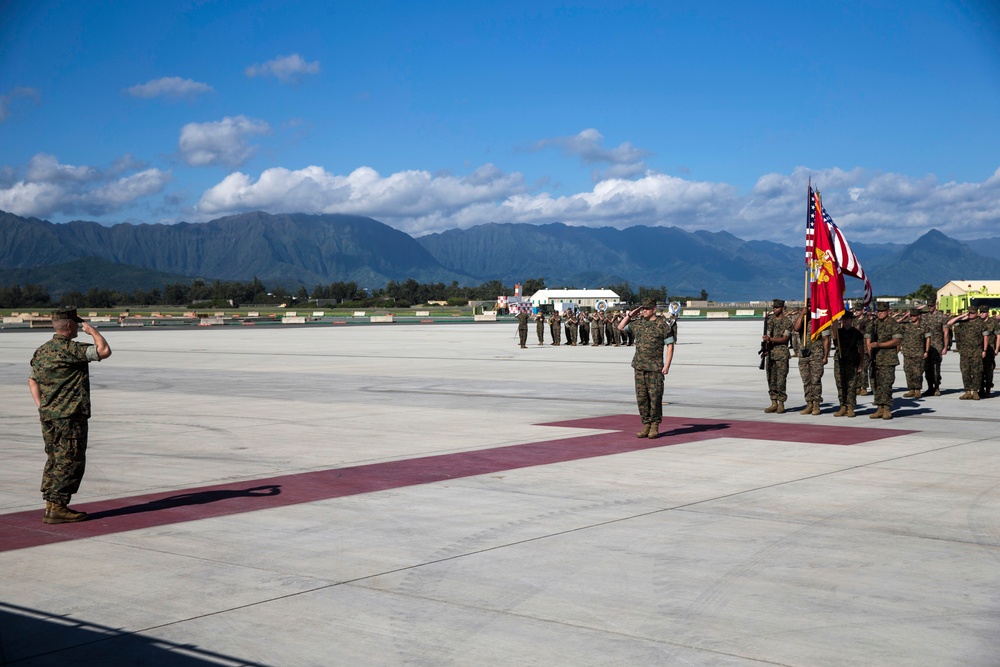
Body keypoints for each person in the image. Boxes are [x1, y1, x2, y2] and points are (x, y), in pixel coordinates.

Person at [28, 307, 112, 524]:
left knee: (55, 459)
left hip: (49, 416)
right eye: (76, 323)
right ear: (69, 326)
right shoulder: (71, 349)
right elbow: (103, 351)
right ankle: (58, 507)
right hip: (70, 416)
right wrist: (93, 332)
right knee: (70, 460)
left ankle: (51, 504)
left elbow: (32, 380)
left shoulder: (41, 351)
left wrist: (42, 407)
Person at [619, 299, 674, 439]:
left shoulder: (662, 325)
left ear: (654, 309)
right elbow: (620, 327)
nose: (644, 311)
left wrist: (667, 365)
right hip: (639, 367)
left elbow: (670, 345)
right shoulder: (638, 324)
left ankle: (655, 425)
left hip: (655, 368)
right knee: (642, 398)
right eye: (642, 309)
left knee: (655, 397)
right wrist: (630, 315)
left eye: (647, 309)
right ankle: (646, 424)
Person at [865, 302, 902, 419]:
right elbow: (867, 337)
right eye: (878, 311)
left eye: (882, 311)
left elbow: (897, 340)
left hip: (888, 359)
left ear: (888, 312)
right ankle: (879, 407)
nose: (880, 314)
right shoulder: (874, 324)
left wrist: (879, 345)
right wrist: (870, 352)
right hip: (875, 359)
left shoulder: (893, 323)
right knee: (876, 385)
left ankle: (887, 408)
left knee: (886, 384)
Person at [793, 307, 830, 415]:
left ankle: (816, 404)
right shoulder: (803, 320)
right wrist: (801, 315)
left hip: (816, 355)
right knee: (806, 381)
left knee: (815, 381)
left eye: (810, 306)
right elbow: (796, 328)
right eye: (807, 306)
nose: (809, 308)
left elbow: (825, 339)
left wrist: (825, 356)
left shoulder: (821, 320)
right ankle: (809, 403)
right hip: (804, 355)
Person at [947, 306, 986, 400]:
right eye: (969, 313)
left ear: (976, 313)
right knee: (965, 372)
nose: (970, 315)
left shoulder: (981, 323)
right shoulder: (962, 323)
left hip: (976, 351)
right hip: (964, 352)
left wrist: (984, 350)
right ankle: (968, 391)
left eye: (972, 313)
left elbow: (985, 338)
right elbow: (949, 323)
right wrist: (962, 316)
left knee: (977, 372)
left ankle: (975, 391)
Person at [762, 299, 793, 413]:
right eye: (773, 307)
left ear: (782, 308)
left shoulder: (787, 322)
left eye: (776, 307)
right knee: (771, 379)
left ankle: (781, 403)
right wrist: (766, 345)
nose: (774, 309)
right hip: (771, 354)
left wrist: (771, 339)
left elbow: (785, 338)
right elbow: (768, 335)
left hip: (781, 354)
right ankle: (773, 402)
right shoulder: (770, 321)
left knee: (781, 380)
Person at [832, 312, 864, 417]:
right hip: (840, 362)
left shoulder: (856, 333)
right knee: (840, 385)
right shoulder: (838, 332)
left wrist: (861, 363)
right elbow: (834, 336)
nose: (845, 321)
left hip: (852, 362)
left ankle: (850, 407)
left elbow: (861, 349)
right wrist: (835, 321)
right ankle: (843, 406)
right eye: (844, 319)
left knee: (851, 385)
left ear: (851, 320)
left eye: (848, 319)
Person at [899, 309, 930, 398]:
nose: (912, 317)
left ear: (918, 316)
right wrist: (904, 316)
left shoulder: (924, 326)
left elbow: (928, 339)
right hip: (907, 353)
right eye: (911, 316)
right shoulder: (906, 326)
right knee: (908, 371)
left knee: (918, 372)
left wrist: (926, 351)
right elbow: (895, 323)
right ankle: (911, 389)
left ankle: (917, 390)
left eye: (914, 316)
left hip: (918, 353)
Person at [921, 303, 947, 397]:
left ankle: (937, 388)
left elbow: (946, 333)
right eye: (928, 306)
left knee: (936, 368)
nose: (929, 307)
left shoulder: (942, 316)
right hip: (926, 346)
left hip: (937, 345)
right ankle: (930, 387)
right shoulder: (924, 316)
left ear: (935, 305)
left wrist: (945, 346)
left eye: (931, 306)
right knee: (927, 367)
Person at [980, 305, 997, 398]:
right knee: (979, 370)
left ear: (988, 313)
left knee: (989, 370)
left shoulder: (993, 322)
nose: (982, 314)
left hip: (990, 349)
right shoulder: (978, 322)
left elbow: (998, 336)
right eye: (981, 312)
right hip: (979, 349)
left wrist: (997, 348)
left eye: (984, 312)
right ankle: (981, 389)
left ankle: (988, 389)